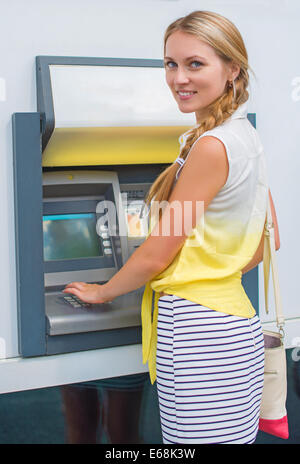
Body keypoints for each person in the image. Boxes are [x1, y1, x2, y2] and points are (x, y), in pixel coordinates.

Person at [63, 10, 280, 444]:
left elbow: (159, 252)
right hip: (235, 326)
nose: (179, 77)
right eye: (170, 63)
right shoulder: (243, 136)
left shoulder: (210, 146)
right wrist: (216, 271)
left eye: (195, 64)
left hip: (199, 338)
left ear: (232, 68)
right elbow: (269, 239)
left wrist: (101, 291)